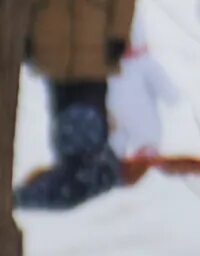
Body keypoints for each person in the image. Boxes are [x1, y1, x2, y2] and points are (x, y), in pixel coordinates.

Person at [16, 0, 137, 211]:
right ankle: (74, 180)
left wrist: (119, 32)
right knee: (67, 129)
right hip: (52, 46)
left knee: (88, 126)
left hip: (95, 48)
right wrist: (23, 32)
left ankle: (88, 181)